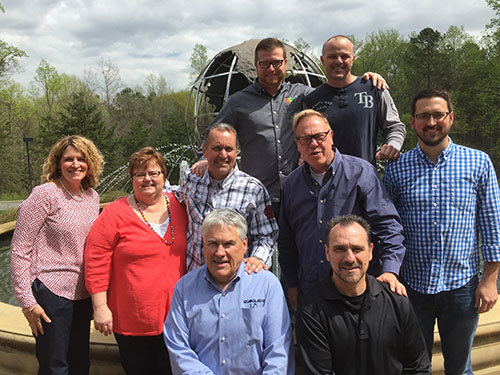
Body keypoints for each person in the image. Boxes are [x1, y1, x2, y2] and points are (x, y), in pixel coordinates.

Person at [194, 37, 388, 215]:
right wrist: (204, 158)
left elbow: (335, 90)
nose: (271, 68)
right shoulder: (238, 102)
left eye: (277, 62)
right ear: (255, 65)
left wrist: (366, 80)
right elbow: (214, 134)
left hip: (300, 193)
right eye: (265, 63)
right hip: (258, 196)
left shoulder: (304, 94)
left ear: (285, 63)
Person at [383, 88, 500, 374]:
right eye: (424, 116)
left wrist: (490, 280)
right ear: (412, 122)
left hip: (461, 286)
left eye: (438, 115)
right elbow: (387, 228)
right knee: (413, 366)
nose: (431, 122)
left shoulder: (478, 163)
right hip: (412, 287)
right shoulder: (396, 168)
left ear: (451, 118)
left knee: (459, 368)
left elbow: (492, 224)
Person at [279, 109, 406, 310]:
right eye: (305, 139)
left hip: (359, 289)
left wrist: (390, 270)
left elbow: (388, 226)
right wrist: (292, 284)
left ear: (331, 136)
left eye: (319, 136)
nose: (313, 144)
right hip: (312, 292)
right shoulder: (291, 185)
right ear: (297, 145)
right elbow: (286, 243)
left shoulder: (361, 172)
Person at [85, 147, 187, 374]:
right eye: (140, 174)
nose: (147, 179)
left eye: (154, 173)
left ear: (164, 175)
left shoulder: (181, 206)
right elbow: (95, 261)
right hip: (134, 321)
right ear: (131, 178)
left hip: (178, 319)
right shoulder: (114, 213)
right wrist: (100, 307)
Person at [10, 135, 104, 374]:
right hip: (51, 294)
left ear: (90, 162)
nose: (75, 164)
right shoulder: (45, 195)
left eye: (81, 159)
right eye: (68, 159)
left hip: (82, 295)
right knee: (55, 367)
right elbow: (20, 250)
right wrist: (27, 302)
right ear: (58, 163)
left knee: (80, 363)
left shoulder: (91, 197)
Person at [164, 209, 293, 374]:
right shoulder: (184, 289)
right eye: (212, 243)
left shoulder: (267, 285)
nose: (219, 252)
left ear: (244, 244)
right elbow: (179, 349)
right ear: (203, 244)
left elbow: (278, 352)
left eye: (228, 244)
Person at [296, 215, 430, 374]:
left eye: (357, 249)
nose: (349, 258)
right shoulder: (312, 311)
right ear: (327, 252)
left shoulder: (396, 300)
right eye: (340, 249)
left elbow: (418, 367)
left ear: (371, 251)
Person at [176, 122, 278, 272]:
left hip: (235, 283)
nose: (223, 155)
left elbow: (266, 235)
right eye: (217, 148)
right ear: (204, 151)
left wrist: (258, 259)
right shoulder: (191, 179)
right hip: (196, 279)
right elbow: (171, 197)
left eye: (228, 149)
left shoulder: (253, 190)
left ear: (236, 152)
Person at [304, 35, 406, 164]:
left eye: (344, 56)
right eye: (332, 57)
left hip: (365, 177)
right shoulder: (312, 100)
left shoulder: (374, 88)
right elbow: (304, 139)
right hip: (326, 179)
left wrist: (392, 146)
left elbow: (394, 126)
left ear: (353, 59)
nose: (339, 61)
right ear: (322, 60)